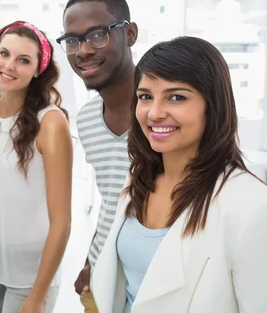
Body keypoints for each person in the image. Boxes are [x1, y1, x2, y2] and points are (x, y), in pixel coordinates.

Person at [90, 36, 267, 312]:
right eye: (145, 97)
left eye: (176, 97)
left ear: (213, 105)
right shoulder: (137, 180)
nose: (155, 113)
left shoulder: (250, 203)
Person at [0, 21, 73, 313]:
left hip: (29, 277)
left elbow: (62, 221)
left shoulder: (50, 122)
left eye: (23, 60)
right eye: (4, 54)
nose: (9, 66)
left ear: (38, 70)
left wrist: (37, 298)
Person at [57, 0, 138, 312]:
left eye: (98, 35)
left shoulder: (164, 111)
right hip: (106, 278)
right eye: (73, 41)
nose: (83, 51)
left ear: (129, 33)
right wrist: (92, 260)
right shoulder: (88, 119)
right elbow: (112, 201)